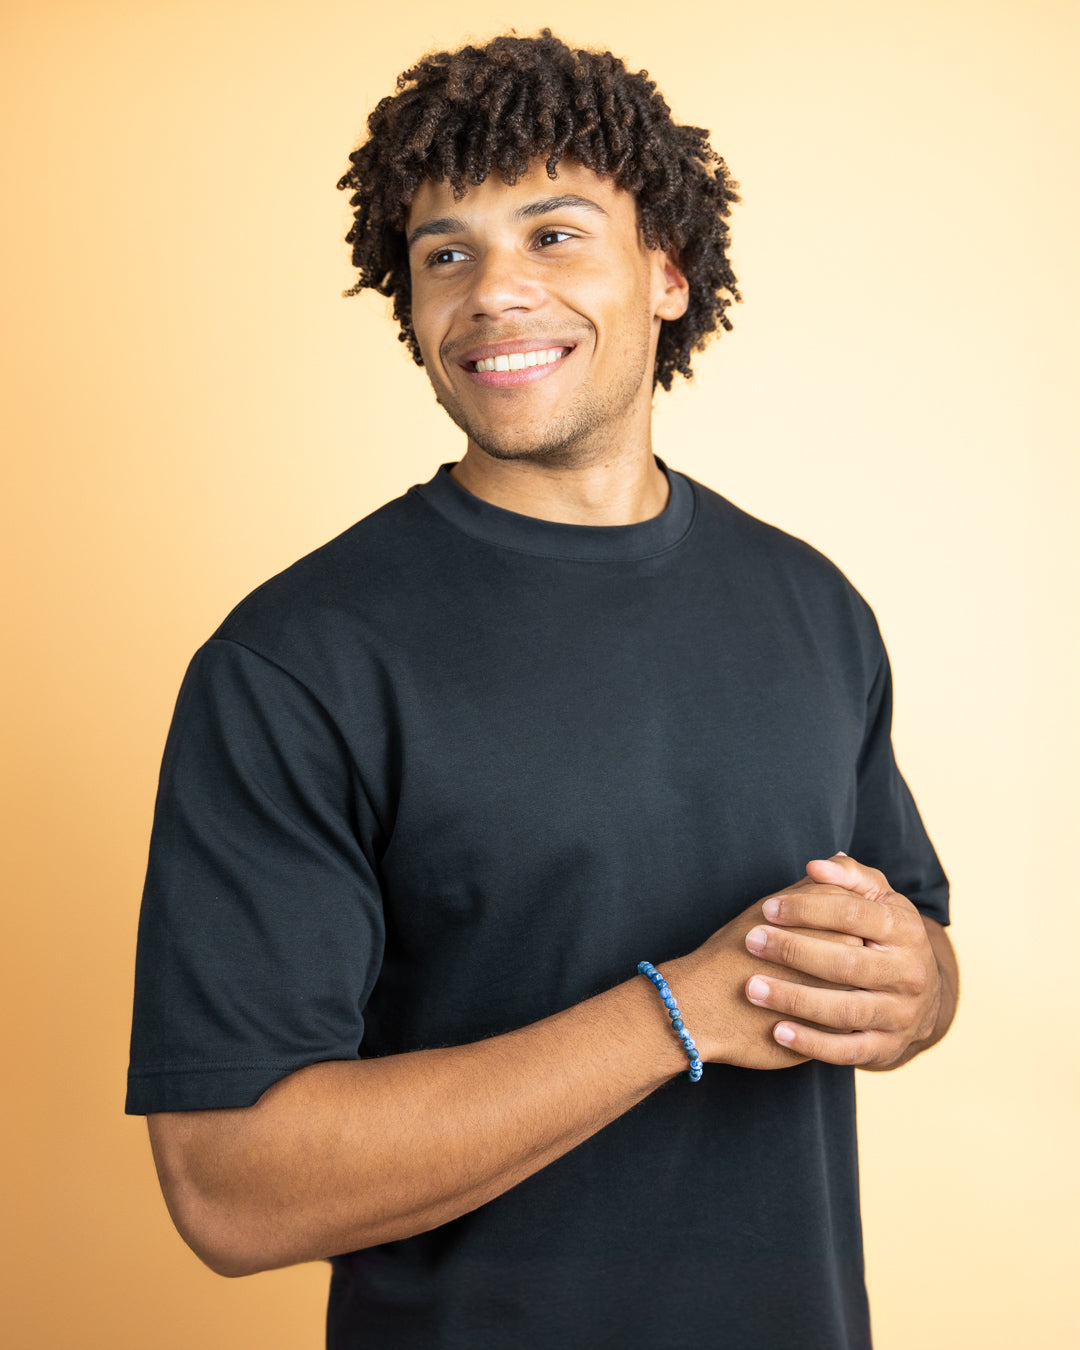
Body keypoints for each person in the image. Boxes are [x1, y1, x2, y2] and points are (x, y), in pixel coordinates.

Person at [127, 30, 957, 1349]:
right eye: (445, 253)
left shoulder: (815, 608)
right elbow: (229, 1185)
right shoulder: (295, 662)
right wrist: (672, 1013)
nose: (493, 291)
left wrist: (918, 989)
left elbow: (908, 963)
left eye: (555, 234)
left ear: (666, 272)